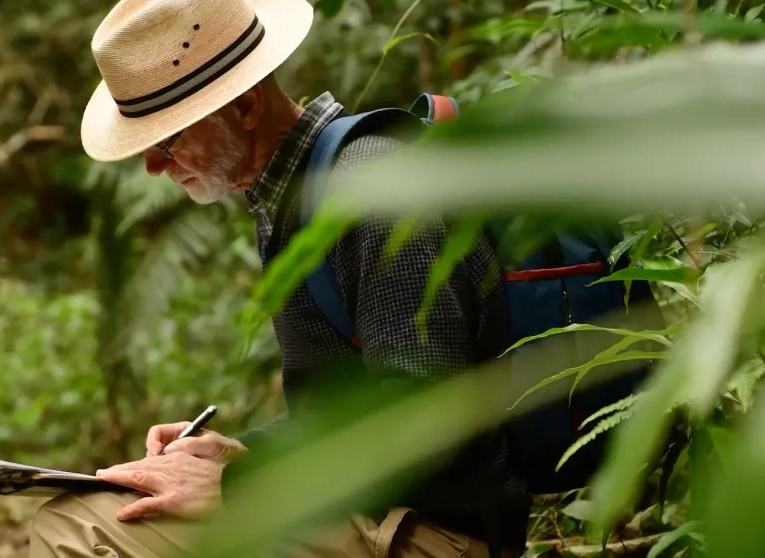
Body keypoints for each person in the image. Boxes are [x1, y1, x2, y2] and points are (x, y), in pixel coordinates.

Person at [28, 0, 531, 556]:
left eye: (167, 142)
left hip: (429, 535)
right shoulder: (295, 190)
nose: (154, 167)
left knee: (77, 527)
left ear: (244, 105)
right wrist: (242, 454)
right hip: (372, 512)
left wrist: (241, 488)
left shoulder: (368, 189)